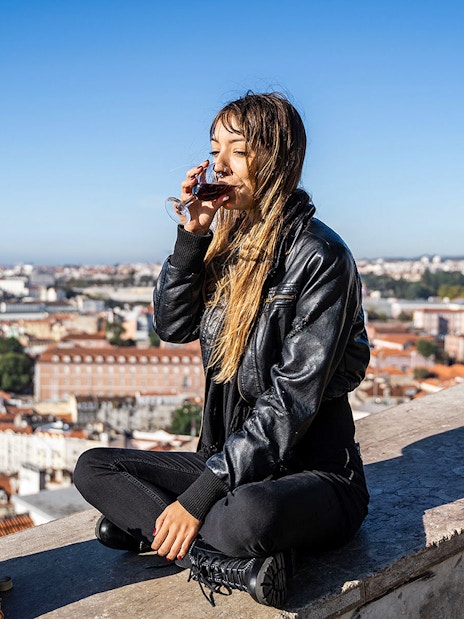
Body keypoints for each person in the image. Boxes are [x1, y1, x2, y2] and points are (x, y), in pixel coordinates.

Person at [74, 91, 370, 608]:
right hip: (226, 462)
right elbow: (173, 324)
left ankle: (159, 530)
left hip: (310, 475)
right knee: (93, 467)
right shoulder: (228, 246)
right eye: (215, 150)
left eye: (237, 149)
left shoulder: (323, 258)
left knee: (246, 517)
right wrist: (191, 237)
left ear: (274, 156)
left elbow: (290, 402)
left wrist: (197, 498)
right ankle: (225, 562)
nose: (220, 164)